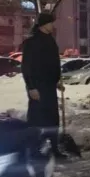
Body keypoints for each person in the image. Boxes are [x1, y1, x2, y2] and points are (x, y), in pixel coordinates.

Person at [21, 12, 66, 159]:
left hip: (50, 87)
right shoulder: (31, 42)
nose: (53, 25)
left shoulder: (51, 40)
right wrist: (31, 87)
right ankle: (34, 150)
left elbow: (54, 63)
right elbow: (26, 67)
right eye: (51, 22)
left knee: (52, 119)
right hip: (38, 87)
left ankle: (54, 148)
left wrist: (58, 79)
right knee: (37, 120)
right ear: (44, 24)